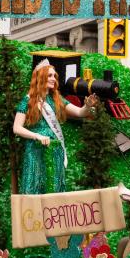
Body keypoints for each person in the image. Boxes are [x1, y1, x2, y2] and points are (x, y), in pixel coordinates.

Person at [13, 59, 100, 195]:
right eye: (49, 75)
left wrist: (88, 106)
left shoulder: (56, 99)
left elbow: (79, 112)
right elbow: (17, 128)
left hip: (55, 150)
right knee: (35, 186)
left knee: (55, 188)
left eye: (54, 76)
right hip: (36, 151)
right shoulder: (28, 100)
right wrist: (37, 136)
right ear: (40, 77)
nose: (54, 79)